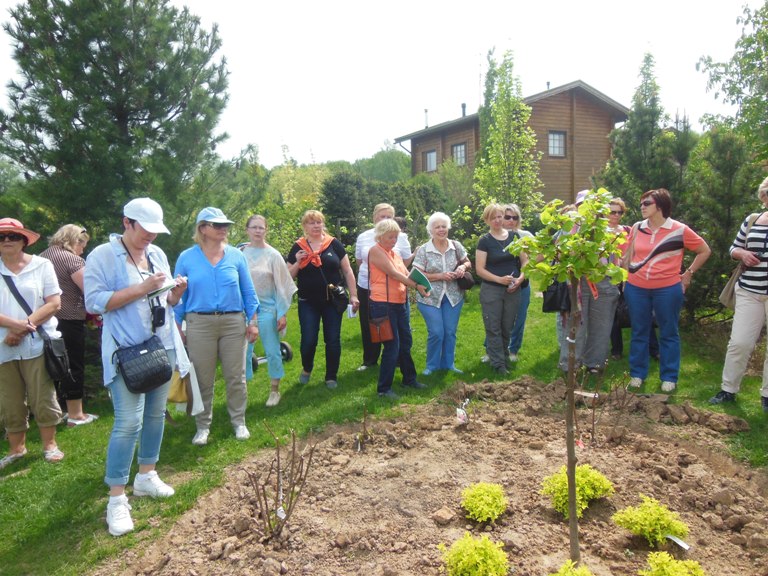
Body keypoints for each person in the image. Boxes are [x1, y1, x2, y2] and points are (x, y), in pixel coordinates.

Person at [84, 198, 190, 536]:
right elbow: (95, 302)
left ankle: (146, 475)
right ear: (126, 223)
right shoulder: (102, 255)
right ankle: (116, 498)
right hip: (126, 353)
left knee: (156, 415)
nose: (151, 238)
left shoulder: (157, 254)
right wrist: (141, 288)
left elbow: (167, 299)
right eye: (145, 231)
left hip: (161, 346)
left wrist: (175, 293)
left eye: (155, 232)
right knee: (128, 422)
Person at [174, 207, 259, 446]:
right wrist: (176, 326)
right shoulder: (187, 257)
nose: (223, 229)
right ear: (202, 229)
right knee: (202, 378)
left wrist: (252, 322)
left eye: (225, 225)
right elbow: (177, 295)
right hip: (199, 323)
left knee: (236, 376)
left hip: (233, 322)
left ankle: (239, 421)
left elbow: (248, 292)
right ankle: (202, 426)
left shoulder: (236, 256)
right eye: (217, 225)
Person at [624, 188, 711, 392]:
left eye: (647, 203)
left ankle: (669, 377)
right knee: (639, 331)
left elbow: (704, 250)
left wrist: (688, 273)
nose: (642, 207)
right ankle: (637, 374)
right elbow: (626, 253)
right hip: (636, 288)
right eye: (641, 204)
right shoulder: (637, 228)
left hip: (667, 289)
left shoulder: (679, 230)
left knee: (669, 332)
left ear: (660, 205)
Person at [0, 218, 64, 470]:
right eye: (1, 237)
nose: (6, 241)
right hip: (3, 345)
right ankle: (16, 449)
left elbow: (53, 303)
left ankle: (50, 445)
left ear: (24, 240)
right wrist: (14, 326)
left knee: (42, 395)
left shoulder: (42, 265)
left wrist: (22, 327)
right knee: (9, 399)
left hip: (36, 341)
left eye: (13, 236)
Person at [710, 176, 768, 412]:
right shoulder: (752, 219)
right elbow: (734, 247)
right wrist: (742, 254)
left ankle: (766, 396)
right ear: (764, 196)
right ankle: (728, 390)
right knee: (740, 342)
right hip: (749, 290)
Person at [287, 210, 359, 389]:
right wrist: (297, 262)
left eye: (319, 222)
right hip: (308, 302)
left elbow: (348, 270)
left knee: (333, 339)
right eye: (312, 223)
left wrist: (354, 295)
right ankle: (307, 367)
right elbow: (288, 277)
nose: (316, 226)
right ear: (305, 226)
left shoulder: (333, 244)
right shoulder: (298, 247)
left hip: (332, 302)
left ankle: (331, 376)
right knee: (309, 339)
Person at [39, 224, 98, 425]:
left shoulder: (42, 256)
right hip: (69, 318)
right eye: (83, 244)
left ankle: (54, 411)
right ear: (75, 240)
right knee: (73, 364)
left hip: (45, 319)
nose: (83, 250)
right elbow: (89, 289)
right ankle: (75, 413)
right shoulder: (72, 259)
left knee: (51, 365)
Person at [558, 190, 621, 373]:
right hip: (579, 283)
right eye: (582, 206)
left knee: (601, 325)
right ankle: (570, 365)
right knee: (576, 324)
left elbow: (614, 259)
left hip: (603, 282)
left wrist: (615, 280)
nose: (586, 210)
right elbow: (561, 255)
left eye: (590, 206)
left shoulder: (606, 230)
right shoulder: (569, 229)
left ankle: (594, 363)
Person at [367, 219, 429, 399]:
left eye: (395, 237)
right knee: (392, 346)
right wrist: (416, 286)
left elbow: (405, 273)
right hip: (382, 304)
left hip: (399, 302)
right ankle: (383, 389)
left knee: (405, 342)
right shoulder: (375, 252)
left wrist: (419, 280)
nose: (393, 241)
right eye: (390, 237)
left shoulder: (394, 253)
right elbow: (394, 274)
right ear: (380, 236)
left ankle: (409, 379)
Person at [242, 215, 297, 407]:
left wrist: (282, 313)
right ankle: (243, 392)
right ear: (247, 230)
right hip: (244, 312)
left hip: (267, 309)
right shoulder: (240, 254)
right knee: (244, 353)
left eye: (261, 228)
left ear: (266, 230)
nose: (258, 231)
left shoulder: (273, 255)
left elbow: (283, 285)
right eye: (254, 227)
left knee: (272, 350)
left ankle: (274, 390)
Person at [354, 204, 412, 371]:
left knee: (400, 324)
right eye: (382, 216)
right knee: (370, 323)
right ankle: (370, 359)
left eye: (389, 217)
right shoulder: (364, 237)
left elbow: (406, 261)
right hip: (367, 285)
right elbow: (359, 261)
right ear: (374, 218)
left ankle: (400, 358)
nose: (385, 220)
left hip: (396, 287)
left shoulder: (400, 237)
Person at [412, 212, 470, 374]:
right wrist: (440, 276)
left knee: (450, 332)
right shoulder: (424, 250)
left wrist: (462, 267)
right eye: (437, 227)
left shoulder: (456, 246)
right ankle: (431, 366)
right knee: (437, 332)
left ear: (448, 228)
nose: (441, 229)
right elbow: (416, 275)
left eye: (444, 226)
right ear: (431, 230)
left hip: (453, 296)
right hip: (430, 298)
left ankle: (448, 364)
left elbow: (467, 261)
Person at [475, 203, 528, 375]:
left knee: (507, 326)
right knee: (493, 326)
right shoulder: (484, 241)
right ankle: (498, 364)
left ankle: (503, 356)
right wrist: (499, 280)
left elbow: (525, 261)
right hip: (492, 289)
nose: (497, 220)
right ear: (487, 220)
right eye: (493, 218)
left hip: (513, 289)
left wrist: (520, 279)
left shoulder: (514, 237)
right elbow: (480, 269)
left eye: (500, 216)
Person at [608, 198, 660, 361]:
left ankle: (654, 349)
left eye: (619, 212)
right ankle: (616, 350)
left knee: (642, 312)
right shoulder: (600, 232)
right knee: (613, 314)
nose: (616, 215)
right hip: (609, 278)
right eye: (612, 212)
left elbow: (637, 252)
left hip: (630, 277)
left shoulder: (628, 230)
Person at [503, 204, 533, 362]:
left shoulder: (525, 235)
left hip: (522, 284)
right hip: (499, 285)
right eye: (507, 217)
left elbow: (537, 257)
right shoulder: (494, 236)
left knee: (519, 319)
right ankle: (492, 350)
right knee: (497, 319)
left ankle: (513, 350)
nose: (511, 221)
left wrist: (522, 275)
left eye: (514, 217)